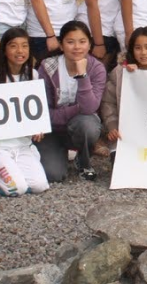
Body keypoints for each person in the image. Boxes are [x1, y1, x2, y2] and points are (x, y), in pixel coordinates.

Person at [0, 27, 49, 196]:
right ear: (4, 50)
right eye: (13, 46)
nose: (20, 51)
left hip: (23, 145)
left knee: (40, 186)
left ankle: (13, 169)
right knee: (17, 189)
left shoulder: (33, 75)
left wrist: (39, 128)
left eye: (24, 46)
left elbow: (37, 112)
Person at [38, 20, 107, 181]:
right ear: (61, 45)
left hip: (79, 126)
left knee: (88, 125)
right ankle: (61, 153)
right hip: (51, 130)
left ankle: (83, 160)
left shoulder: (96, 68)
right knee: (53, 175)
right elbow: (44, 113)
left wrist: (82, 75)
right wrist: (77, 108)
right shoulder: (47, 67)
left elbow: (89, 108)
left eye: (82, 42)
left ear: (89, 45)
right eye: (70, 42)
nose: (77, 47)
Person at [100, 27, 147, 150]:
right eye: (138, 48)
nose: (143, 52)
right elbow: (108, 102)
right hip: (127, 136)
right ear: (131, 49)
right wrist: (112, 126)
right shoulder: (120, 72)